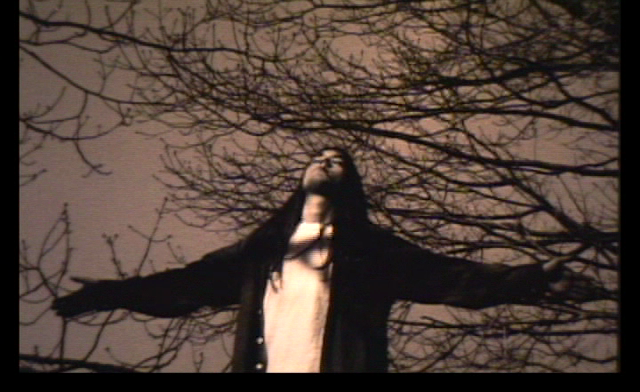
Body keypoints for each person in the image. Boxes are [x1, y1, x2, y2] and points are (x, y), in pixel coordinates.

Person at [52, 147, 598, 373]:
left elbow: (450, 277)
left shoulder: (369, 251)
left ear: (351, 184)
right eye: (320, 156)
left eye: (340, 160)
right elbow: (186, 285)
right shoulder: (261, 251)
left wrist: (531, 279)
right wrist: (111, 294)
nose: (328, 160)